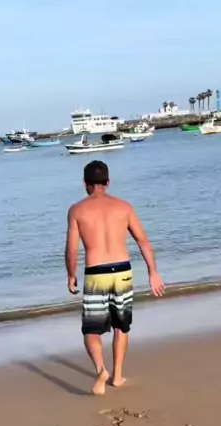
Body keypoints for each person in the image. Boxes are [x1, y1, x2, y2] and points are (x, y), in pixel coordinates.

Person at [65, 160, 165, 396]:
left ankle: (101, 370)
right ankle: (117, 376)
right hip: (122, 270)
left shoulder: (77, 210)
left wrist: (71, 275)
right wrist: (153, 272)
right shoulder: (124, 207)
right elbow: (142, 240)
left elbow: (72, 248)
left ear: (85, 183)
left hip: (96, 272)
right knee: (121, 327)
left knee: (91, 330)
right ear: (108, 182)